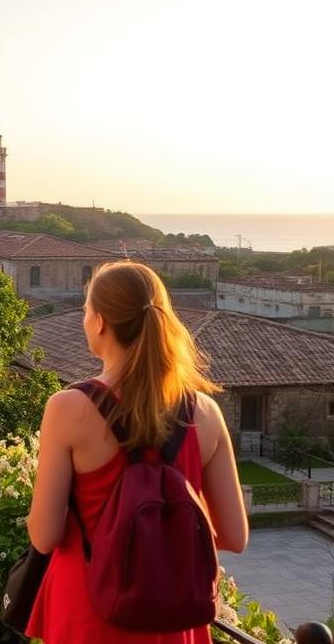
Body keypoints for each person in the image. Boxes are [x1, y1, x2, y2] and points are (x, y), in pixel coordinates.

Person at [25, 261, 248, 643]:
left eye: (86, 311)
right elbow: (233, 535)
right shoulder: (205, 413)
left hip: (89, 611)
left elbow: (45, 536)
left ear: (99, 322)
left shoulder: (69, 409)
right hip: (171, 617)